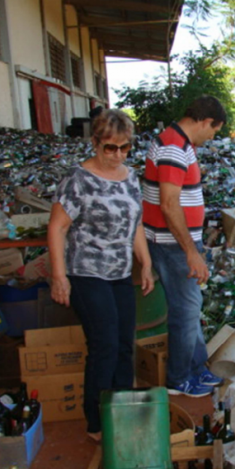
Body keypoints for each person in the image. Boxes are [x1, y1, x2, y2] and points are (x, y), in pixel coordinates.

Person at [48, 109, 154, 443]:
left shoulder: (130, 177)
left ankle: (122, 408)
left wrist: (146, 263)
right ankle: (95, 421)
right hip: (86, 273)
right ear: (95, 143)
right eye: (110, 148)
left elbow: (134, 223)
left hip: (120, 273)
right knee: (104, 345)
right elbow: (57, 227)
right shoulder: (78, 180)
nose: (118, 155)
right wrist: (59, 276)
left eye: (125, 148)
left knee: (124, 344)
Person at [142, 95, 227, 396]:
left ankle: (196, 368)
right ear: (205, 121)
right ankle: (179, 380)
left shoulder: (177, 142)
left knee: (191, 306)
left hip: (178, 242)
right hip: (174, 245)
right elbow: (168, 204)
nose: (212, 136)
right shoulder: (174, 147)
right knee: (185, 310)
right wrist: (191, 251)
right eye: (214, 130)